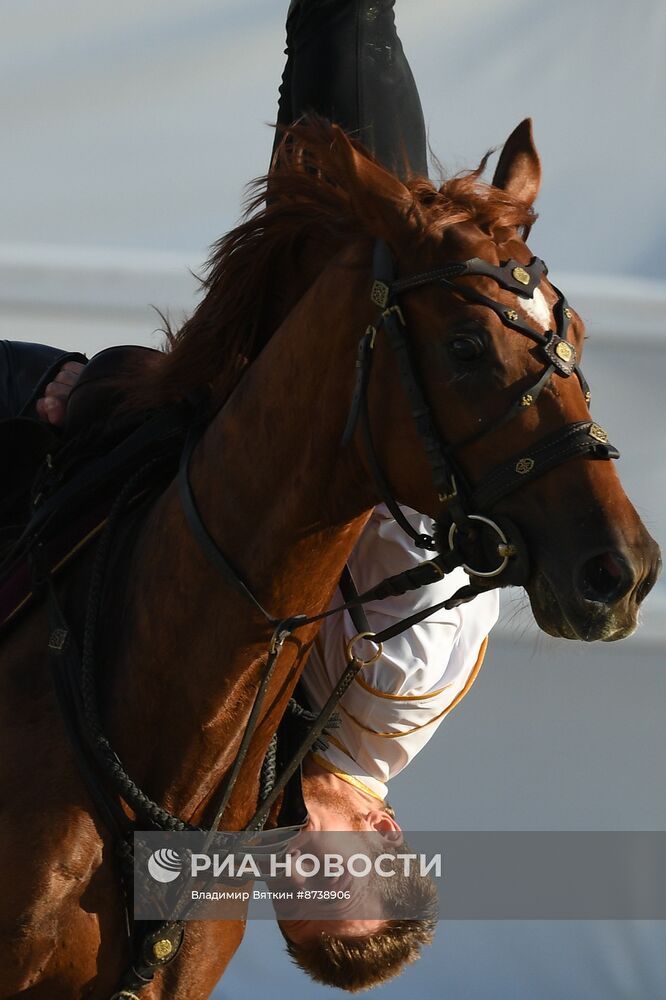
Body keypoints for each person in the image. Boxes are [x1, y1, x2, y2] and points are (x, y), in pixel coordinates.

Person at [0, 1, 500, 990]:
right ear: (384, 828)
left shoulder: (286, 772)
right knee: (347, 38)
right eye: (332, 873)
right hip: (350, 334)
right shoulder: (396, 685)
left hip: (268, 374)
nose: (295, 864)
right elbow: (412, 496)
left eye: (293, 895)